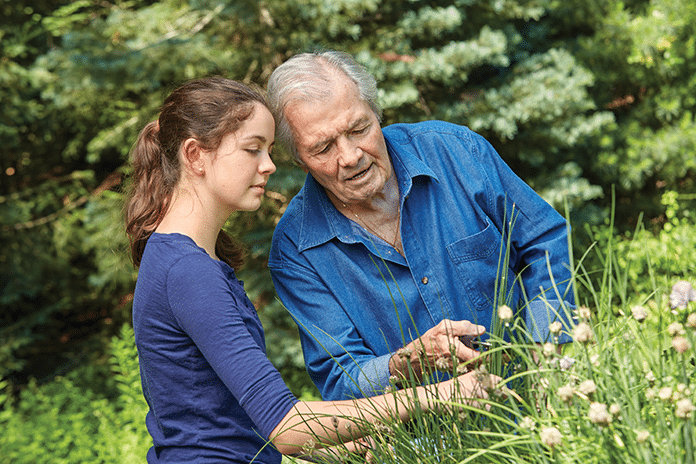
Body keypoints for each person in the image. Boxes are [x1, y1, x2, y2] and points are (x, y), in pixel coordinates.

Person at [124, 77, 496, 463]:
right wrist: (444, 395)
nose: (268, 166)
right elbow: (285, 427)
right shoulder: (188, 272)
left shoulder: (189, 260)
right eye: (252, 150)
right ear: (195, 156)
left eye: (268, 150)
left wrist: (350, 449)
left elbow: (228, 422)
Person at [266, 50, 575, 402]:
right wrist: (405, 363)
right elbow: (340, 377)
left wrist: (545, 350)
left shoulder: (456, 152)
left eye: (359, 129)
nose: (350, 156)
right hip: (425, 441)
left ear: (377, 115)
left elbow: (543, 240)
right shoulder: (296, 250)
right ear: (300, 161)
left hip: (537, 398)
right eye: (323, 148)